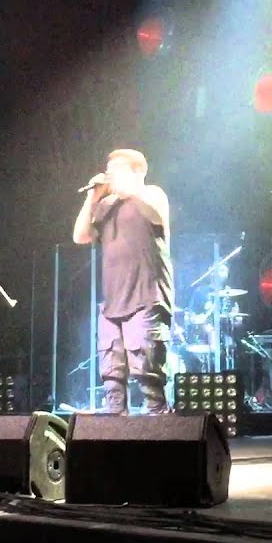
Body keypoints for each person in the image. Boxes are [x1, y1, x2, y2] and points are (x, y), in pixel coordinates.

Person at [72, 149, 174, 415]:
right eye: (109, 170)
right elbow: (80, 236)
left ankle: (161, 424)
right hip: (113, 300)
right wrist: (92, 197)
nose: (110, 174)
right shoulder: (107, 205)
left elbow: (155, 214)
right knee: (112, 372)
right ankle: (116, 424)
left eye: (117, 170)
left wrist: (128, 191)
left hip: (146, 295)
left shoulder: (152, 194)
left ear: (138, 171)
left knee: (147, 370)